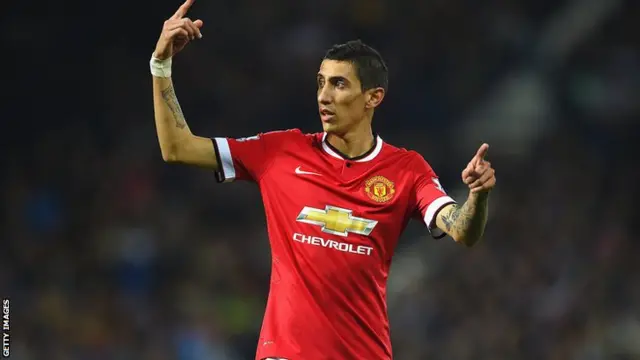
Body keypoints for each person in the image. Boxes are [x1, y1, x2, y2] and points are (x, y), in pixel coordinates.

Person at [150, 1, 496, 359]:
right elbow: (178, 147)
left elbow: (461, 230)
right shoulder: (281, 152)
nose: (323, 96)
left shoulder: (407, 169)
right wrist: (161, 64)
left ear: (373, 97)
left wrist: (478, 195)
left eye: (339, 84)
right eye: (320, 83)